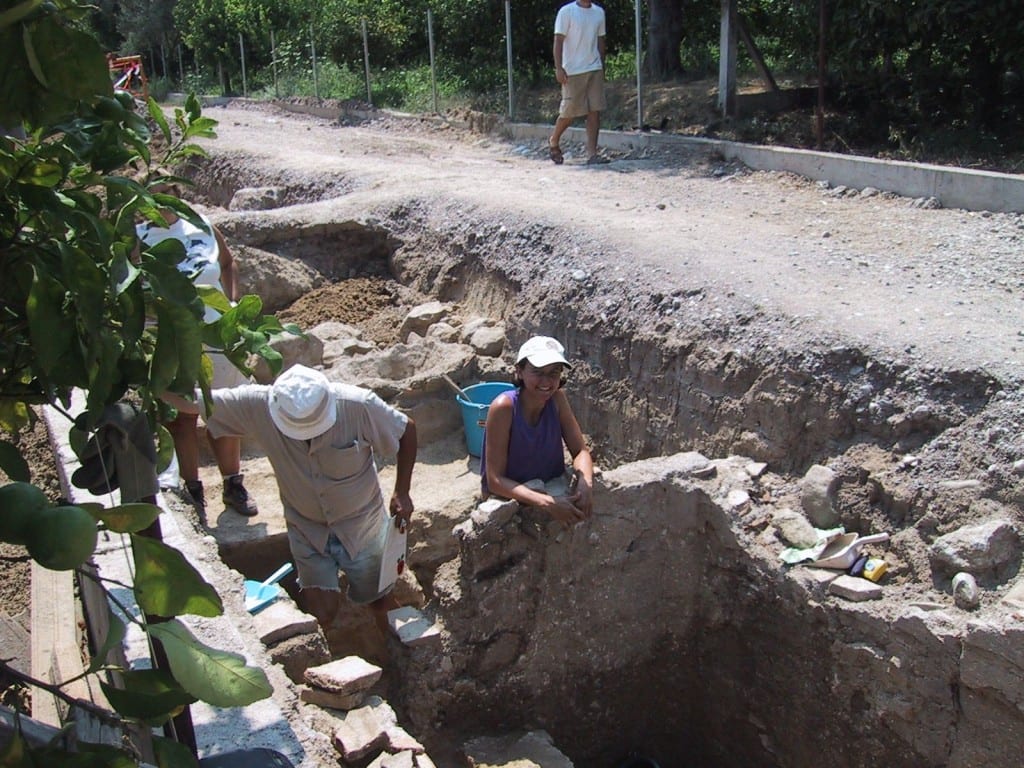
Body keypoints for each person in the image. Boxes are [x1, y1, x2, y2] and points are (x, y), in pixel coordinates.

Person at [163, 364, 417, 635]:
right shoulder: (260, 405)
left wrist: (402, 490)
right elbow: (197, 402)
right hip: (307, 529)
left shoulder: (358, 405)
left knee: (380, 600)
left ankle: (399, 656)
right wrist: (145, 380)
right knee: (321, 611)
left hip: (362, 525)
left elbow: (406, 429)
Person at [136, 187, 257, 517]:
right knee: (181, 418)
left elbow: (228, 262)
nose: (161, 205)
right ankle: (193, 491)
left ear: (177, 196)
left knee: (224, 412)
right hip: (169, 341)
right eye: (151, 198)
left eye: (166, 196)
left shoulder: (201, 225)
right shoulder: (138, 238)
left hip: (217, 337)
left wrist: (232, 303)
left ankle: (233, 484)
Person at [480, 336, 594, 527]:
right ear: (520, 371)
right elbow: (495, 480)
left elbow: (580, 450)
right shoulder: (504, 407)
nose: (546, 381)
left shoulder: (557, 400)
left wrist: (585, 481)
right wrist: (548, 503)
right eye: (538, 372)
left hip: (550, 482)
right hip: (513, 496)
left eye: (553, 373)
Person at [548, 0, 608, 166]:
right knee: (570, 112)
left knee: (594, 110)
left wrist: (602, 66)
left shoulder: (599, 12)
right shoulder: (566, 12)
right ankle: (554, 140)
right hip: (573, 70)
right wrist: (559, 68)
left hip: (594, 68)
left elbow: (600, 40)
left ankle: (592, 154)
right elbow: (558, 40)